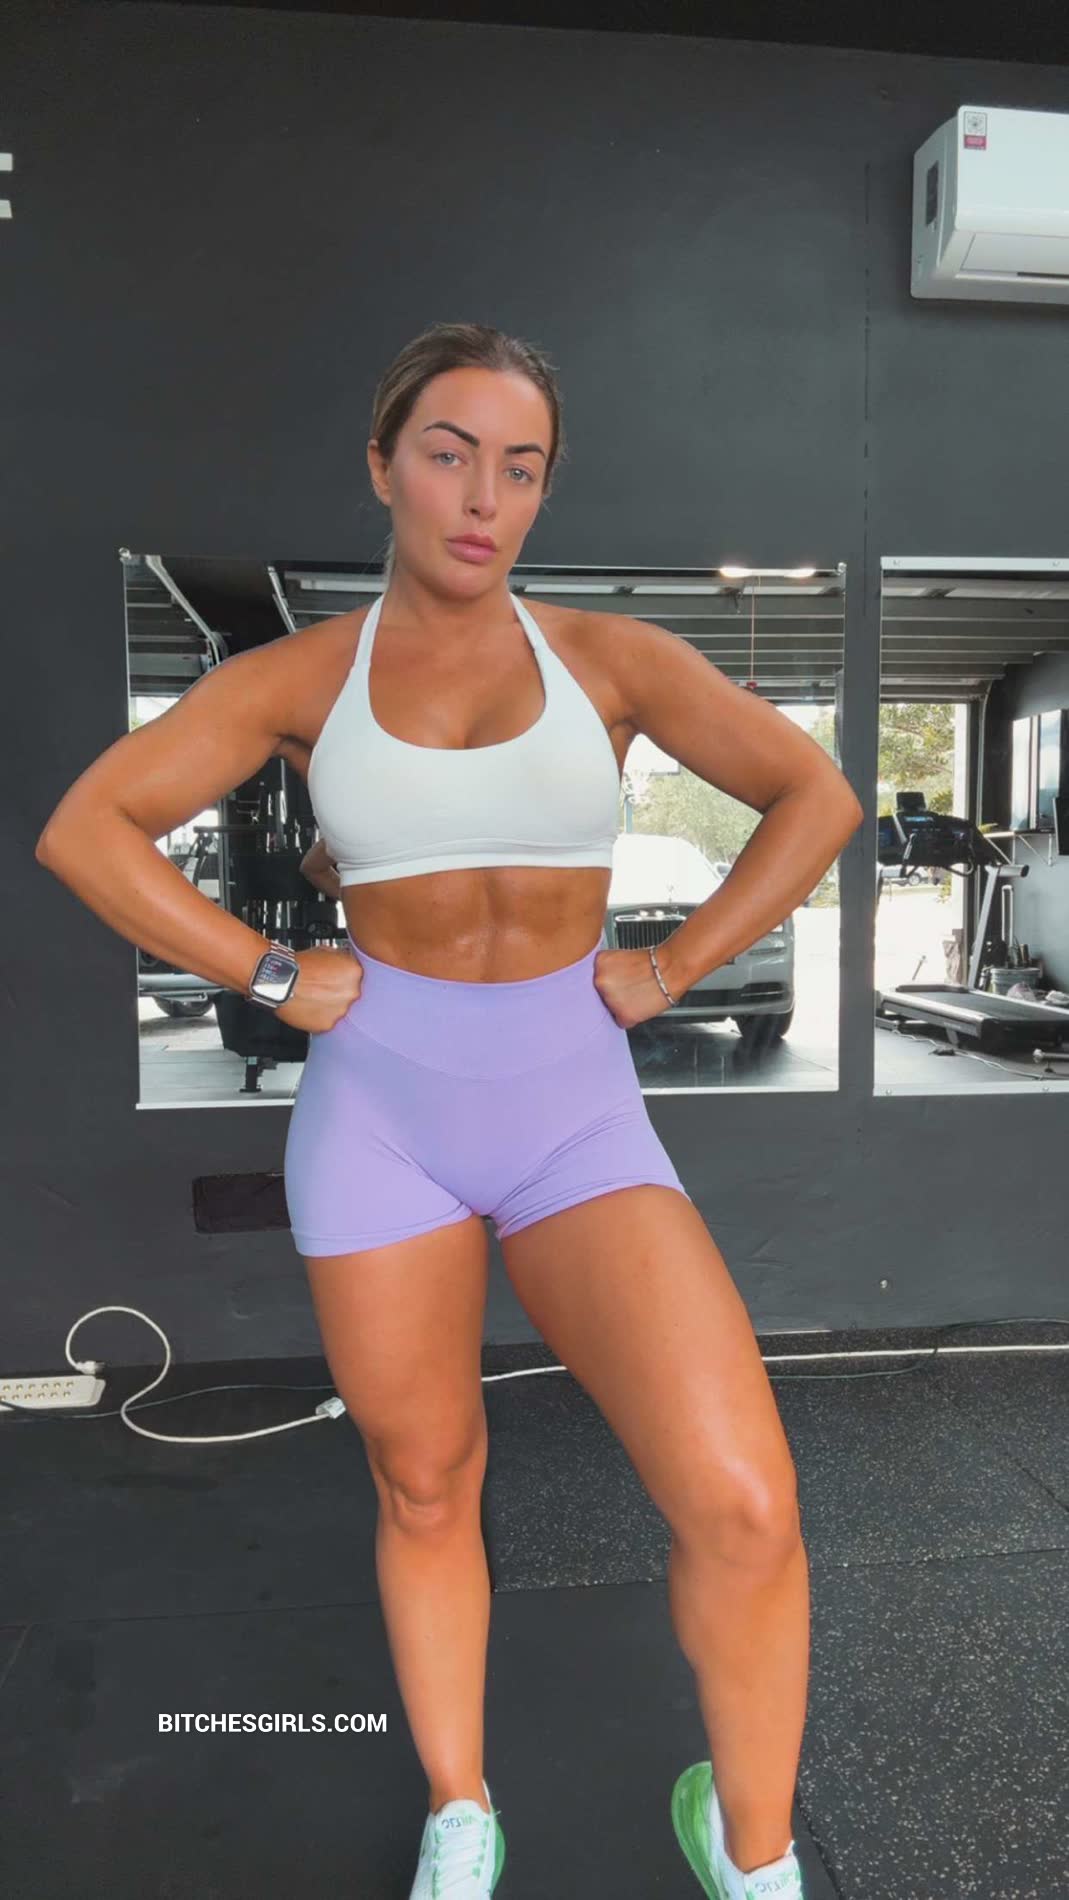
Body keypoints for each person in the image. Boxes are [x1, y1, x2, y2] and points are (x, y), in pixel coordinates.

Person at [36, 321, 864, 1900]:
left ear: (542, 490)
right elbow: (89, 829)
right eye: (449, 452)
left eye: (520, 466)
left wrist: (675, 964)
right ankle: (460, 1807)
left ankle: (749, 1849)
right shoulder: (299, 678)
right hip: (383, 1116)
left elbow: (813, 795)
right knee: (424, 1484)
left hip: (574, 1111)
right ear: (382, 466)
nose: (484, 497)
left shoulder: (609, 661)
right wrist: (272, 971)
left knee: (744, 1502)